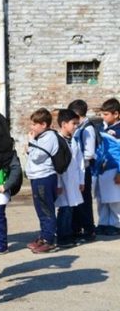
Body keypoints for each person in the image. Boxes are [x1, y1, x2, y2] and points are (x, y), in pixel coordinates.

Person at [24, 108, 60, 253]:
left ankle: (49, 240)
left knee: (46, 209)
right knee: (41, 209)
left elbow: (37, 156)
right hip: (37, 177)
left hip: (44, 177)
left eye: (34, 124)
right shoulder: (42, 137)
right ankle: (44, 236)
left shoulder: (49, 137)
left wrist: (31, 142)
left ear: (44, 124)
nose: (31, 127)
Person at [54, 109, 84, 248]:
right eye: (73, 123)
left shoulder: (74, 141)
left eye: (77, 123)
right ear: (64, 124)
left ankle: (68, 234)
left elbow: (80, 162)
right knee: (64, 209)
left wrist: (81, 181)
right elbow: (57, 165)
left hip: (73, 180)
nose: (76, 126)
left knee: (70, 208)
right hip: (63, 180)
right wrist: (58, 183)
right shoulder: (58, 141)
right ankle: (63, 237)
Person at [68, 99, 97, 242]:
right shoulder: (80, 127)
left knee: (84, 201)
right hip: (77, 170)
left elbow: (89, 153)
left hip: (84, 170)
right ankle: (77, 228)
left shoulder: (88, 129)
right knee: (77, 201)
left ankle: (89, 230)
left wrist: (77, 160)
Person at [95, 98, 120, 235]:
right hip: (101, 168)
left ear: (116, 114)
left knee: (115, 199)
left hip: (114, 167)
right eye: (102, 114)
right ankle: (103, 223)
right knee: (102, 199)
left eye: (106, 114)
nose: (102, 117)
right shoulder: (101, 128)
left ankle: (116, 225)